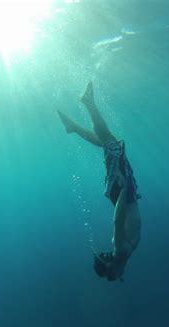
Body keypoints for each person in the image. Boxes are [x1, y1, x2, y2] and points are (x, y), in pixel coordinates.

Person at [57, 81, 141, 281]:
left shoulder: (120, 252)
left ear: (111, 268)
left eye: (113, 276)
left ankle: (88, 103)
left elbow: (118, 220)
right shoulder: (122, 255)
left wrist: (123, 189)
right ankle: (74, 127)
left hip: (122, 191)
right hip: (124, 193)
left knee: (111, 143)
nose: (119, 277)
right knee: (107, 143)